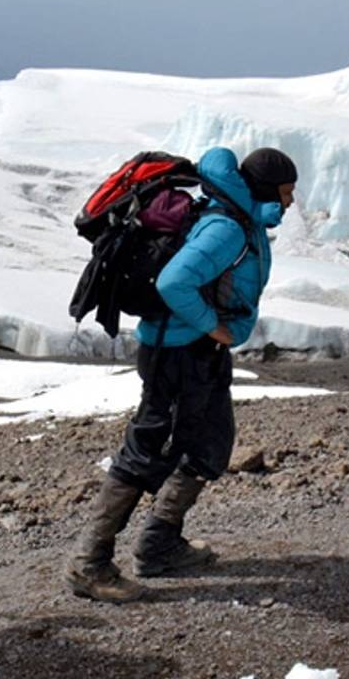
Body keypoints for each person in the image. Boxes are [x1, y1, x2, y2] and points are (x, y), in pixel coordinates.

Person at [68, 147, 298, 603]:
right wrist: (211, 325)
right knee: (147, 448)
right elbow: (175, 282)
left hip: (198, 351)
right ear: (267, 189)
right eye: (287, 192)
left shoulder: (237, 217)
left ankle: (160, 544)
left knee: (211, 440)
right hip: (177, 352)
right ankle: (88, 564)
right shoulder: (225, 228)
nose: (290, 202)